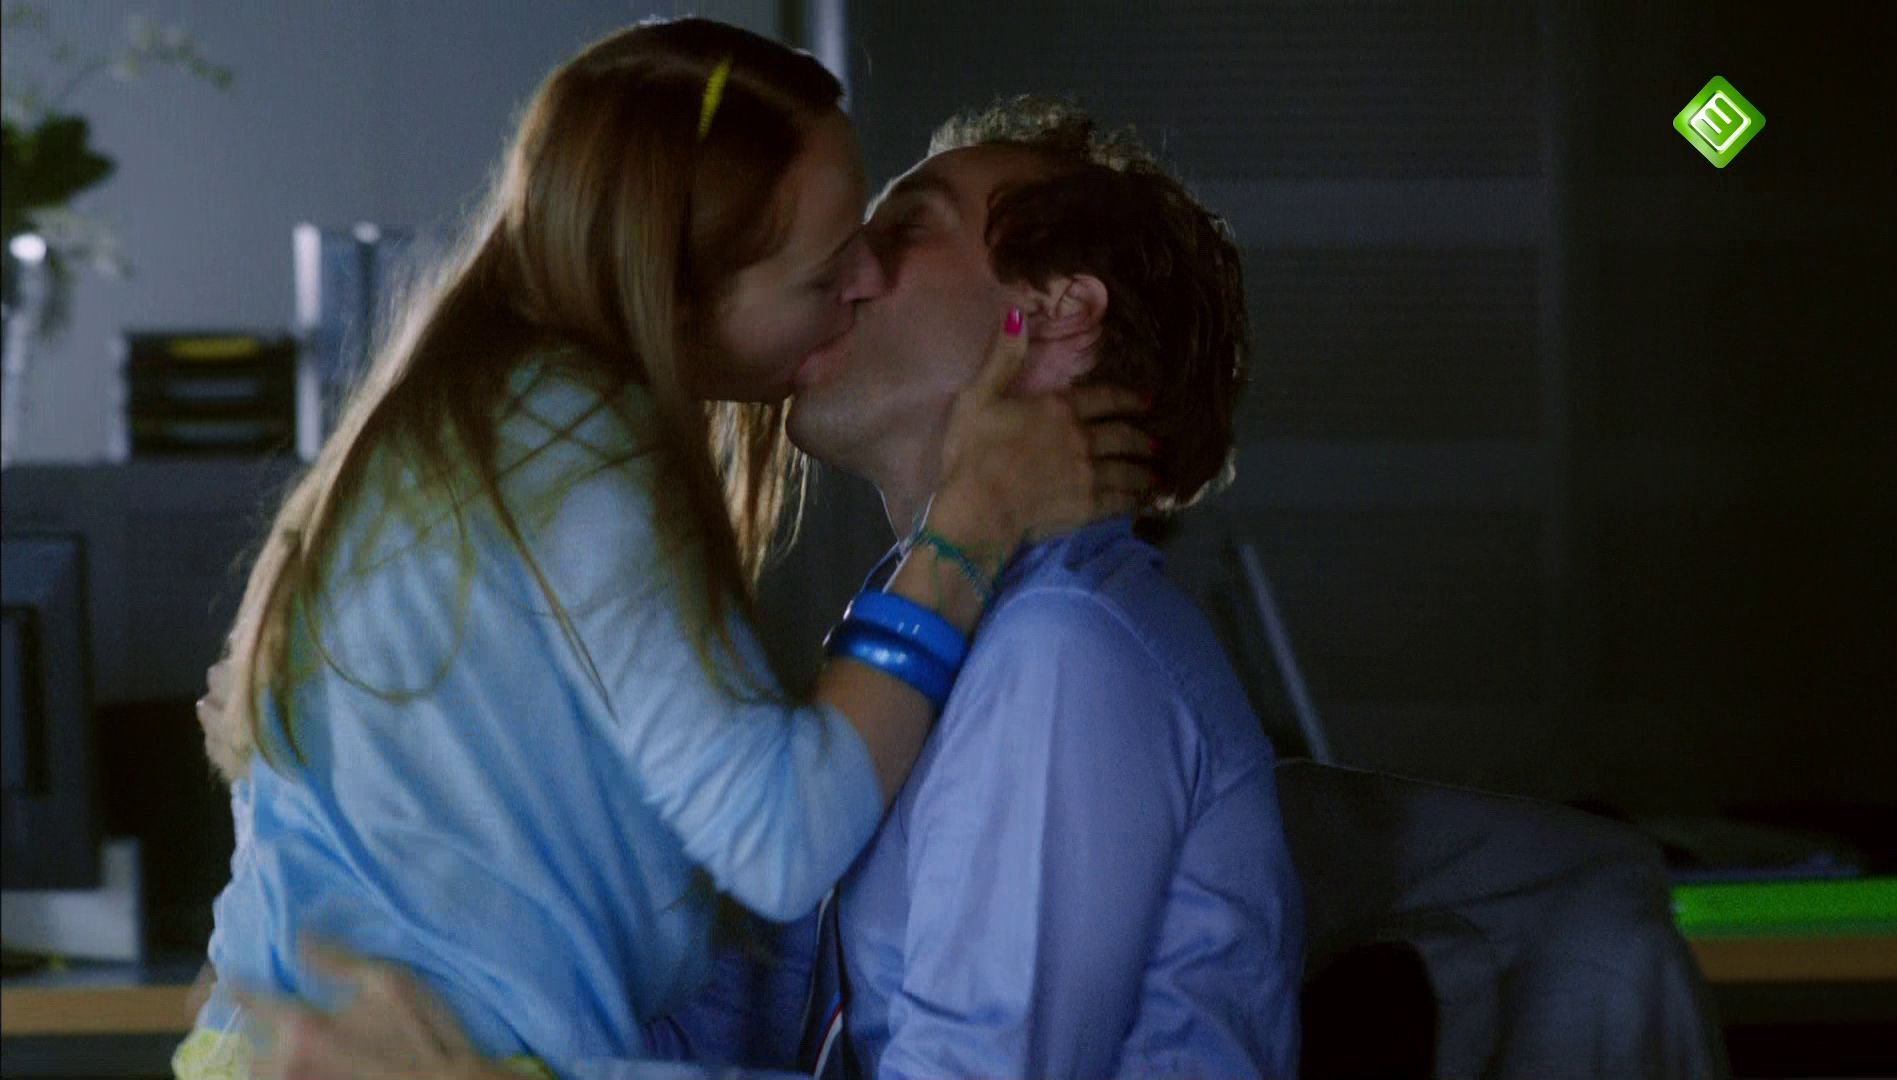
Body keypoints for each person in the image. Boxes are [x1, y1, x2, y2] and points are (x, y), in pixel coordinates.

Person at [226, 98, 1305, 1080]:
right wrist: (468, 1019)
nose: (845, 272)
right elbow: (777, 1018)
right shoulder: (948, 621)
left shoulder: (1064, 649)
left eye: (904, 229)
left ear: (1058, 314)